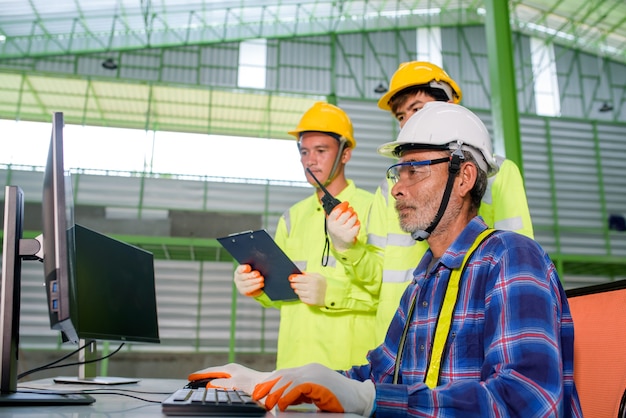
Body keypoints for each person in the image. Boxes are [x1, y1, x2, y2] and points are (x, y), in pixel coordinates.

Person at [192, 102, 582, 417]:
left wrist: (370, 400)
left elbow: (526, 401)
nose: (397, 189)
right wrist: (271, 380)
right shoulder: (424, 280)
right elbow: (376, 375)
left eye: (415, 171)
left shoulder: (510, 258)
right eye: (398, 172)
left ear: (464, 179)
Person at [327, 61, 534, 345]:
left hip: (461, 330)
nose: (408, 121)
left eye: (417, 108)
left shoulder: (497, 175)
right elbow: (377, 280)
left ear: (449, 106)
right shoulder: (390, 187)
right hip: (395, 339)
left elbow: (518, 265)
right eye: (401, 115)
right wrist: (347, 248)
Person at [230, 101, 378, 370]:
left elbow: (390, 291)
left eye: (321, 150)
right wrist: (257, 286)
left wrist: (332, 293)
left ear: (346, 153)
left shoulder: (374, 209)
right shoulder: (291, 217)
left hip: (348, 373)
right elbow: (282, 293)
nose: (310, 160)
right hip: (291, 371)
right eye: (305, 151)